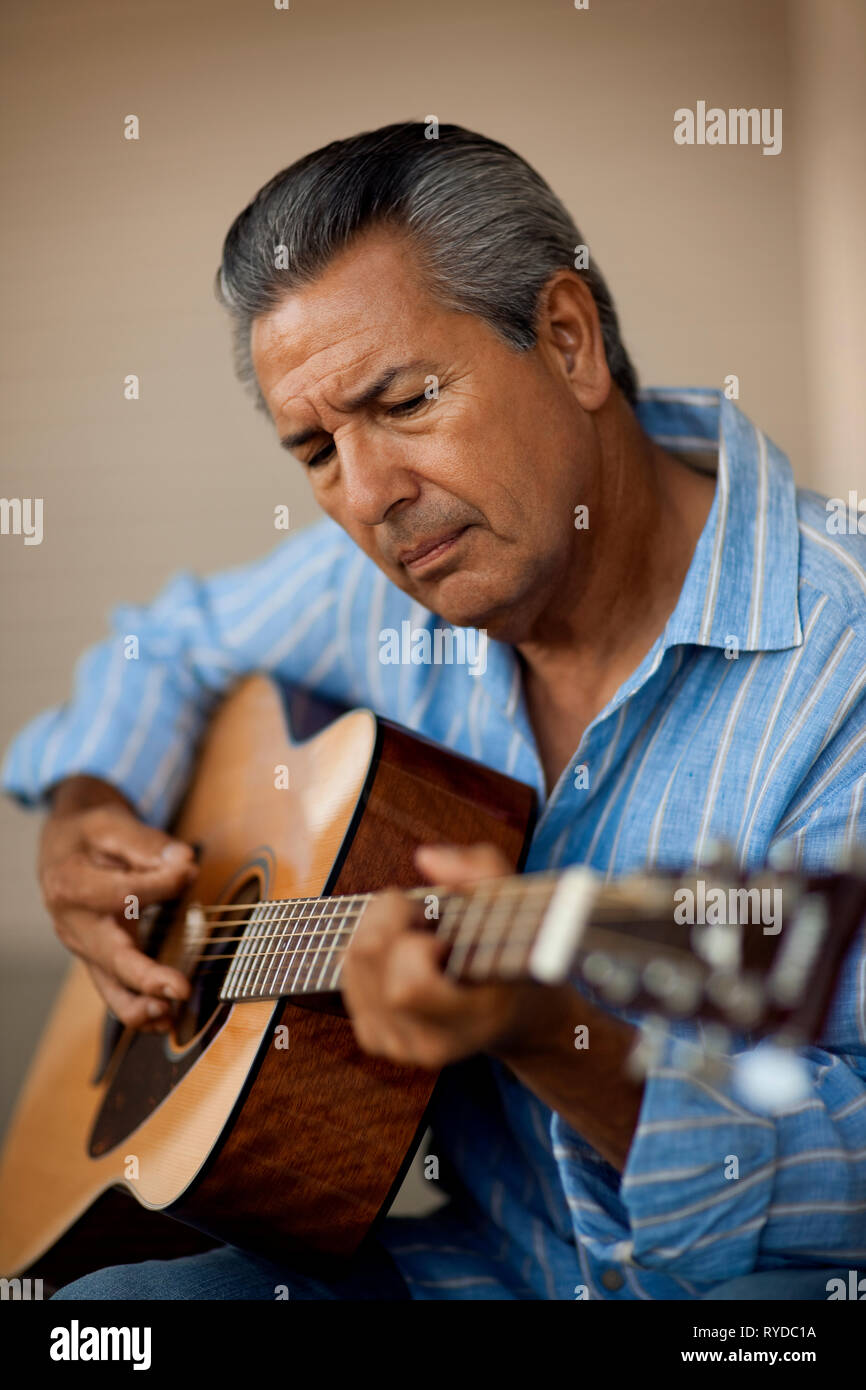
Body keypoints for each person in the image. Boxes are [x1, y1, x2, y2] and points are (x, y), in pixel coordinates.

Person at [3, 123, 864, 1301]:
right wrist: (87, 807)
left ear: (567, 340)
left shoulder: (842, 656)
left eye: (405, 401)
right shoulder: (397, 574)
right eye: (313, 448)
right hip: (445, 1271)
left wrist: (557, 1036)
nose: (365, 498)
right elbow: (170, 643)